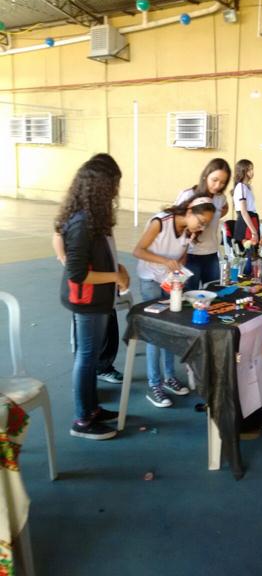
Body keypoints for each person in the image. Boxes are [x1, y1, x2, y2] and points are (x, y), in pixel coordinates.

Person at [55, 156, 130, 440]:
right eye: (113, 185)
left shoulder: (93, 218)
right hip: (86, 301)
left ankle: (92, 408)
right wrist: (114, 277)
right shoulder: (81, 223)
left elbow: (98, 257)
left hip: (97, 300)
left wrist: (116, 268)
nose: (116, 191)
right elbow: (77, 274)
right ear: (100, 187)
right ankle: (82, 420)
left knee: (90, 355)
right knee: (86, 358)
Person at [134, 195, 215, 407]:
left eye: (205, 225)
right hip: (151, 281)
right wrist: (165, 261)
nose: (201, 228)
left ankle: (170, 377)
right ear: (189, 211)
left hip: (169, 282)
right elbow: (138, 250)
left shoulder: (189, 231)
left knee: (170, 329)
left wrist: (178, 270)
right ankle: (154, 385)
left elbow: (183, 257)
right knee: (155, 333)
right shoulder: (160, 222)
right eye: (201, 222)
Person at [175, 158, 231, 290]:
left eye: (223, 183)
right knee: (189, 295)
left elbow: (224, 208)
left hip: (212, 254)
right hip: (190, 255)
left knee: (215, 293)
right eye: (214, 180)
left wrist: (212, 219)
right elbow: (175, 222)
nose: (217, 186)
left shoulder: (220, 198)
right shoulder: (188, 194)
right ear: (206, 175)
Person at [232, 159, 259, 247]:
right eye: (249, 169)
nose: (252, 172)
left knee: (254, 251)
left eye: (252, 169)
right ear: (243, 171)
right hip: (245, 224)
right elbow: (243, 211)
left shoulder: (248, 187)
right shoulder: (241, 187)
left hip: (251, 220)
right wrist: (254, 232)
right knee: (248, 252)